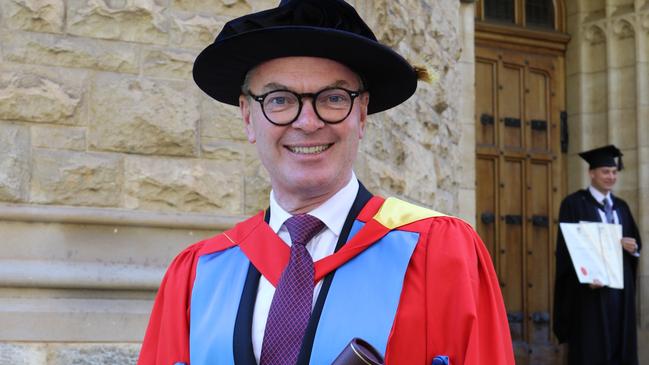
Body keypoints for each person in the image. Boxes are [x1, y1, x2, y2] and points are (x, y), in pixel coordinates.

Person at [137, 1, 515, 364]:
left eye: (333, 98)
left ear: (362, 114)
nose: (308, 122)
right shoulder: (198, 275)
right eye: (279, 99)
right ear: (248, 116)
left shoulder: (437, 252)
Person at [553, 145, 641, 365]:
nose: (611, 177)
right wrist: (584, 278)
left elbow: (633, 243)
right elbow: (568, 249)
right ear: (591, 173)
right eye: (605, 171)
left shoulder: (621, 207)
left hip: (620, 291)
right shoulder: (574, 204)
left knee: (620, 343)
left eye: (614, 172)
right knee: (593, 348)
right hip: (590, 291)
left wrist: (632, 248)